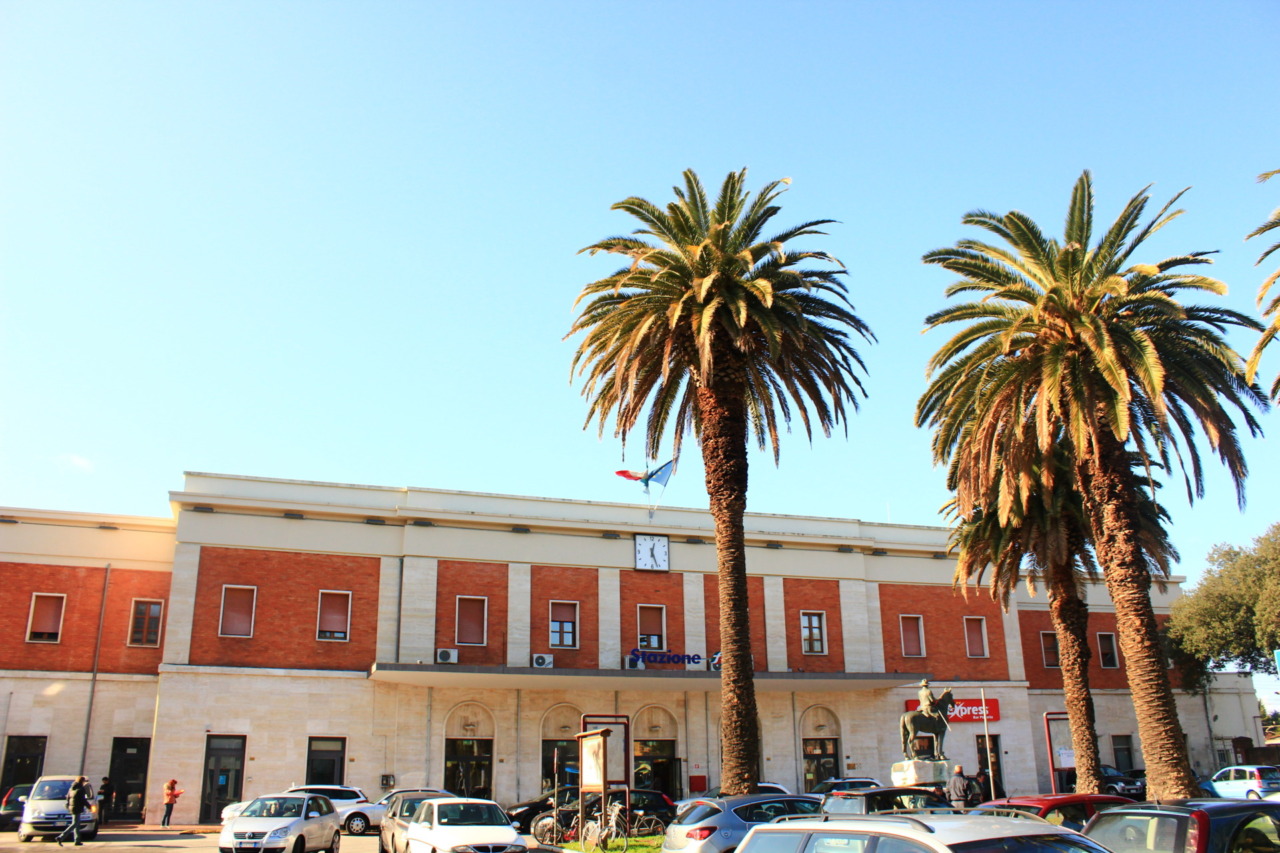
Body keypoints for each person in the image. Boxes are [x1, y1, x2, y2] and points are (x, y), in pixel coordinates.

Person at [57, 777, 91, 846]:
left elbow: (68, 797)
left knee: (77, 824)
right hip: (77, 807)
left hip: (72, 807)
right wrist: (89, 807)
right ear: (82, 781)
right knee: (75, 823)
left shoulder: (71, 788)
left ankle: (77, 840)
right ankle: (61, 837)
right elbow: (83, 800)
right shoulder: (81, 789)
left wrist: (68, 805)